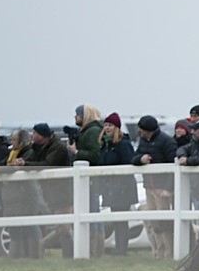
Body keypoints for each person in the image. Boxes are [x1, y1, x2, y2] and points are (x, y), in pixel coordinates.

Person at [15, 123, 73, 257]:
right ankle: (65, 254)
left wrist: (26, 164)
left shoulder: (58, 148)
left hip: (63, 193)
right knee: (60, 226)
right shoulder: (39, 147)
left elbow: (47, 164)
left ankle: (62, 253)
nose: (32, 135)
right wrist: (22, 162)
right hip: (52, 193)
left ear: (42, 135)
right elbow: (32, 159)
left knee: (63, 227)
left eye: (35, 133)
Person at [132, 115, 177, 259]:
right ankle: (159, 253)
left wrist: (168, 188)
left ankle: (169, 252)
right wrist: (141, 159)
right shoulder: (143, 141)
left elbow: (173, 166)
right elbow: (133, 158)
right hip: (149, 186)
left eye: (142, 129)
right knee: (154, 222)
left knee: (164, 221)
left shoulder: (166, 141)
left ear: (147, 129)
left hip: (161, 188)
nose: (139, 131)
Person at [0, 129, 45, 258]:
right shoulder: (12, 154)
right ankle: (16, 261)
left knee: (31, 228)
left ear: (21, 141)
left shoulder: (29, 153)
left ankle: (35, 258)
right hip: (13, 199)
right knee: (15, 231)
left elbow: (16, 169)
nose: (11, 142)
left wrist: (0, 170)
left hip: (25, 197)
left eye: (14, 139)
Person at [99, 112, 138, 256]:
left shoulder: (123, 144)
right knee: (116, 219)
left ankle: (122, 249)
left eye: (110, 125)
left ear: (117, 127)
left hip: (123, 188)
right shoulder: (105, 144)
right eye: (106, 125)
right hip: (110, 187)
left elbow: (129, 163)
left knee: (121, 220)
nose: (107, 128)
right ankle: (119, 248)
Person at [69, 103, 105, 257]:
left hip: (91, 181)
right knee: (89, 212)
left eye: (77, 114)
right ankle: (91, 249)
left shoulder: (92, 132)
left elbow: (95, 155)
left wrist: (76, 152)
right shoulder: (86, 131)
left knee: (93, 213)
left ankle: (95, 249)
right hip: (87, 181)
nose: (75, 117)